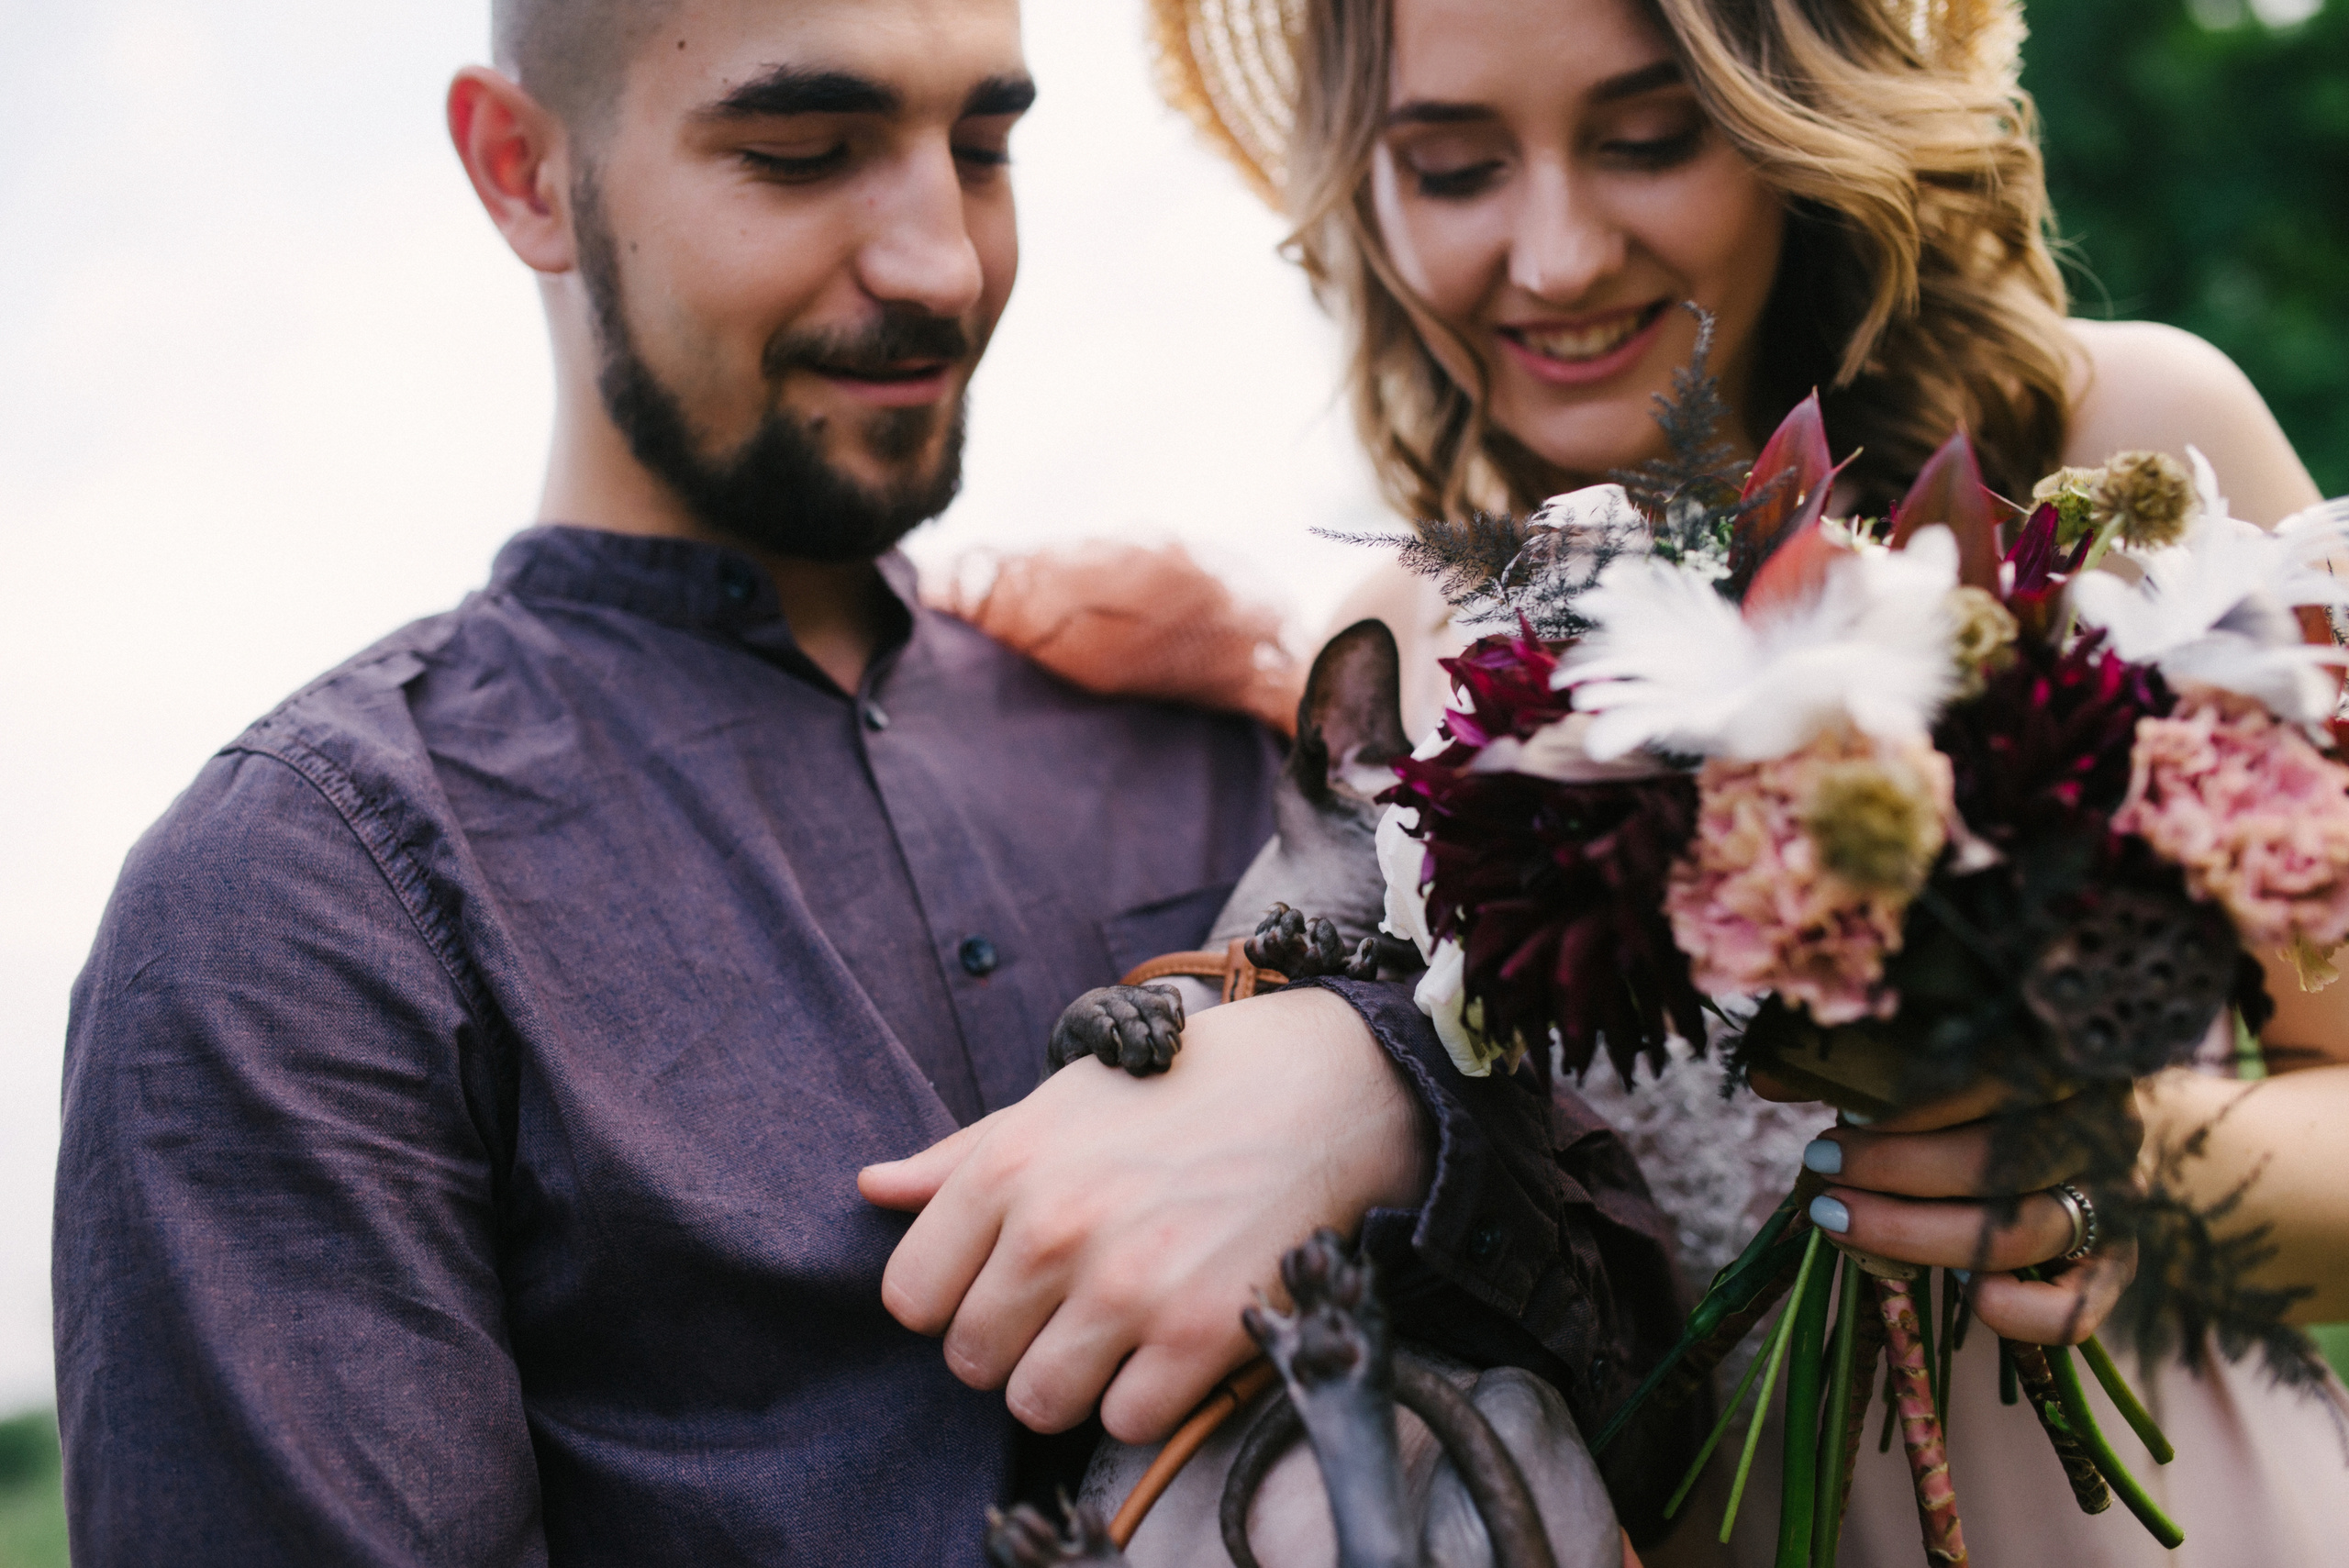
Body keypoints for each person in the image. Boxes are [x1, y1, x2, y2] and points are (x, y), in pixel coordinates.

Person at [50, 1, 1693, 1562]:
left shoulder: (1217, 758)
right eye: (803, 149)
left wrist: (1379, 1089)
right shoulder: (298, 902)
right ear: (523, 171)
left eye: (983, 145)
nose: (942, 261)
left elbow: (1664, 1391)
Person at [1149, 0, 2349, 1562]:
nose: (1561, 254)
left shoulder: (2123, 452)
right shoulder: (1400, 647)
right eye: (1451, 169)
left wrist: (2125, 1163)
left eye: (1650, 139)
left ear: (1800, 118)